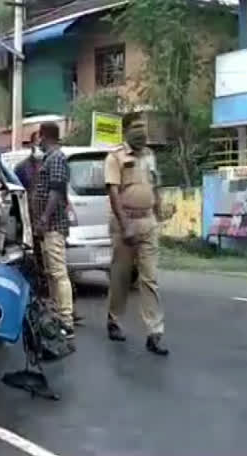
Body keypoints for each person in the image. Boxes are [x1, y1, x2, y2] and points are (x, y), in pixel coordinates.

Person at [104, 113, 169, 356]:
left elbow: (155, 186)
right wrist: (125, 225)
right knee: (121, 277)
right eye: (137, 127)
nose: (142, 131)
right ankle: (114, 319)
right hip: (125, 222)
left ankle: (155, 332)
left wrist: (158, 214)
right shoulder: (115, 157)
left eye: (144, 126)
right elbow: (113, 193)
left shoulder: (150, 155)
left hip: (148, 222)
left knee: (149, 278)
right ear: (126, 130)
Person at [32, 122, 75, 336]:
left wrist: (44, 218)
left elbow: (56, 191)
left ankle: (66, 319)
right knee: (51, 272)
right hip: (47, 227)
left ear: (44, 136)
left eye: (39, 137)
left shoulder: (57, 158)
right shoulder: (49, 159)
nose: (37, 141)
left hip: (53, 225)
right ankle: (58, 314)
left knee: (58, 272)